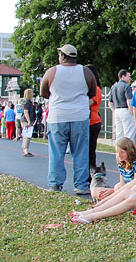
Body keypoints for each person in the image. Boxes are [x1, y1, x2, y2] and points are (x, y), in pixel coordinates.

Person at [39, 44, 98, 195]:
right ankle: (81, 184)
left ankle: (55, 183)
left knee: (56, 151)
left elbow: (44, 92)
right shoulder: (86, 72)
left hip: (58, 116)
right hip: (80, 116)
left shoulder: (52, 72)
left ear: (63, 56)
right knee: (80, 151)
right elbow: (92, 92)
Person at [90, 137, 136, 203]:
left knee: (117, 187)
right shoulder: (121, 163)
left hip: (133, 191)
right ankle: (112, 199)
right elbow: (122, 182)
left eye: (122, 152)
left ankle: (110, 201)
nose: (119, 155)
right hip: (123, 190)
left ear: (129, 151)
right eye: (118, 153)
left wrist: (115, 191)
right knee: (94, 191)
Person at [85, 66, 103, 176]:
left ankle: (91, 174)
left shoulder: (96, 89)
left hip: (93, 122)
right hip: (87, 121)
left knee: (90, 151)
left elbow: (87, 103)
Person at [110, 69, 134, 143]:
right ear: (123, 76)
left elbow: (110, 102)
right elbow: (129, 100)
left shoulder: (113, 87)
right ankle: (129, 151)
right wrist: (132, 113)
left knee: (119, 133)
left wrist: (114, 111)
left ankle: (119, 151)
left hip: (117, 110)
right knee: (129, 133)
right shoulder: (126, 86)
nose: (129, 78)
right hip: (125, 109)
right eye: (128, 76)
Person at [20, 88, 36, 157]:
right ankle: (25, 150)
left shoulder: (27, 102)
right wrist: (29, 121)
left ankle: (25, 149)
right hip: (26, 120)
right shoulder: (27, 102)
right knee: (27, 135)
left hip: (27, 119)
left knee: (27, 135)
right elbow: (26, 112)